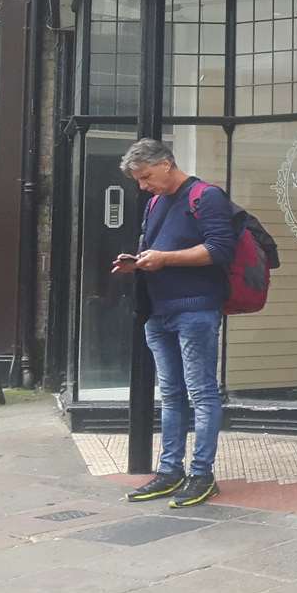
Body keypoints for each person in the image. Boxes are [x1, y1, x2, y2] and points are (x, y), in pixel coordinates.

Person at [110, 139, 234, 508]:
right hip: (158, 312)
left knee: (201, 393)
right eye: (139, 181)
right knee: (172, 395)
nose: (144, 186)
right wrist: (139, 262)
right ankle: (169, 471)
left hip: (195, 310)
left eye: (147, 177)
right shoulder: (154, 202)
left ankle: (201, 474)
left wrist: (165, 259)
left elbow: (219, 249)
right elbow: (157, 247)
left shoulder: (206, 196)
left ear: (166, 164)